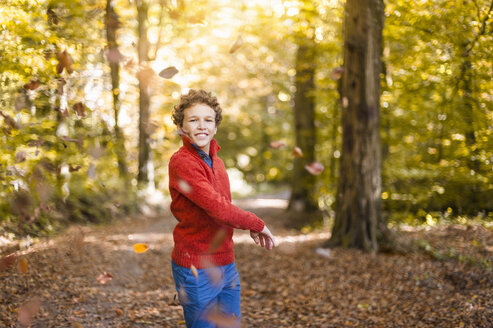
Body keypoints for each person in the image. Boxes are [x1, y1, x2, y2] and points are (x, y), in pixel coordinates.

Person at [168, 89, 277, 327]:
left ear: (216, 127)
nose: (201, 126)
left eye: (208, 120)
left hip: (226, 263)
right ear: (181, 127)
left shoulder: (218, 162)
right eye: (193, 120)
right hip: (196, 266)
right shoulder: (182, 162)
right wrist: (257, 223)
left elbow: (225, 207)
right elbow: (217, 208)